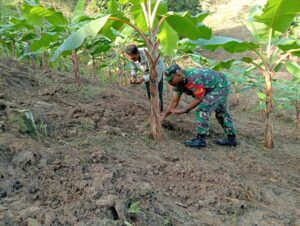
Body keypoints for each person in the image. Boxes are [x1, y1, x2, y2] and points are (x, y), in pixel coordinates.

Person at [161, 64, 237, 149]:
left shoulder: (193, 78)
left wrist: (184, 110)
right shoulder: (178, 83)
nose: (169, 83)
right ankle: (231, 138)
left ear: (178, 75)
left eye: (171, 80)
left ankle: (201, 139)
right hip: (211, 87)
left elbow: (199, 99)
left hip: (220, 85)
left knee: (203, 110)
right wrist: (162, 117)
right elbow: (174, 102)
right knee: (221, 112)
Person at [125, 44, 165, 112]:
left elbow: (155, 71)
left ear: (137, 53)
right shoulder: (132, 57)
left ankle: (160, 111)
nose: (132, 60)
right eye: (131, 58)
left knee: (158, 92)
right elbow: (133, 67)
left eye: (133, 58)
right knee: (149, 92)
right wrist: (133, 76)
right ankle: (154, 109)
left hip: (158, 71)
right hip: (147, 72)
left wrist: (143, 78)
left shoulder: (148, 54)